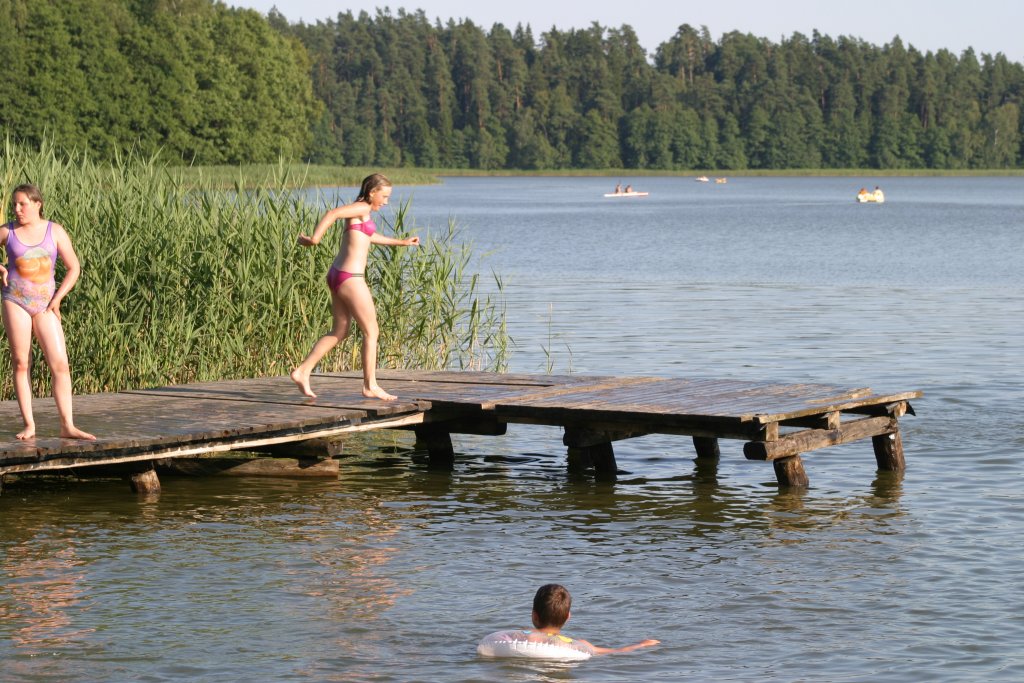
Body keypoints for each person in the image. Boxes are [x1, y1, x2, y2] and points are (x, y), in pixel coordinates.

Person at [290, 173, 419, 401]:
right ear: (372, 192)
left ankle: (302, 371)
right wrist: (315, 239)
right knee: (372, 331)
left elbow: (369, 236)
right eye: (384, 196)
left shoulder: (361, 213)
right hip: (351, 278)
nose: (386, 202)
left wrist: (401, 242)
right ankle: (370, 386)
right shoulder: (361, 207)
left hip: (338, 275)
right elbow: (332, 213)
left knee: (340, 331)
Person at [0, 184, 95, 440]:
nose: (17, 209)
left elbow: (74, 267)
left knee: (60, 364)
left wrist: (58, 299)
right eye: (15, 204)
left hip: (46, 304)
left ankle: (67, 425)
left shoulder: (55, 231)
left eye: (22, 204)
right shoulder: (8, 231)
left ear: (37, 204)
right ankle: (29, 425)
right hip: (15, 301)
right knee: (21, 362)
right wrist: (1, 268)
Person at [488, 583, 660, 656]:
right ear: (568, 617)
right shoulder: (579, 645)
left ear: (534, 615)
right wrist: (642, 644)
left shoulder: (519, 638)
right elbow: (616, 652)